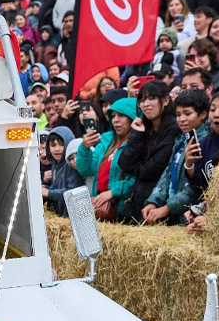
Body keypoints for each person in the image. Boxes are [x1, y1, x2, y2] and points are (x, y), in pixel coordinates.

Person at [116, 81, 181, 224]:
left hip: (161, 203)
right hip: (138, 199)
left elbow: (153, 169)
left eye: (151, 98)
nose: (146, 104)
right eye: (142, 100)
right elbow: (124, 164)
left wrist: (136, 168)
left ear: (165, 100)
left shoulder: (174, 128)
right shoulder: (143, 127)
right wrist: (137, 134)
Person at [145, 88, 211, 225]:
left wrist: (167, 208)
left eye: (187, 114)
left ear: (203, 114)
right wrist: (154, 201)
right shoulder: (182, 139)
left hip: (190, 219)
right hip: (174, 216)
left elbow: (195, 188)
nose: (181, 119)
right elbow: (168, 172)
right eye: (178, 114)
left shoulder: (204, 143)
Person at [77, 97, 139, 222]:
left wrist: (112, 192)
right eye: (113, 116)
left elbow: (136, 180)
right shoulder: (106, 139)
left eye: (121, 115)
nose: (116, 120)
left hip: (122, 209)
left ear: (133, 117)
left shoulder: (138, 144)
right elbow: (87, 170)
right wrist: (84, 148)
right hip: (100, 207)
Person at [42, 128, 83, 216]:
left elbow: (73, 192)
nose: (57, 149)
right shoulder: (55, 165)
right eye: (53, 145)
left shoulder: (72, 164)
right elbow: (56, 187)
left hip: (73, 216)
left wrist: (48, 193)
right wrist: (45, 188)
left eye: (61, 144)